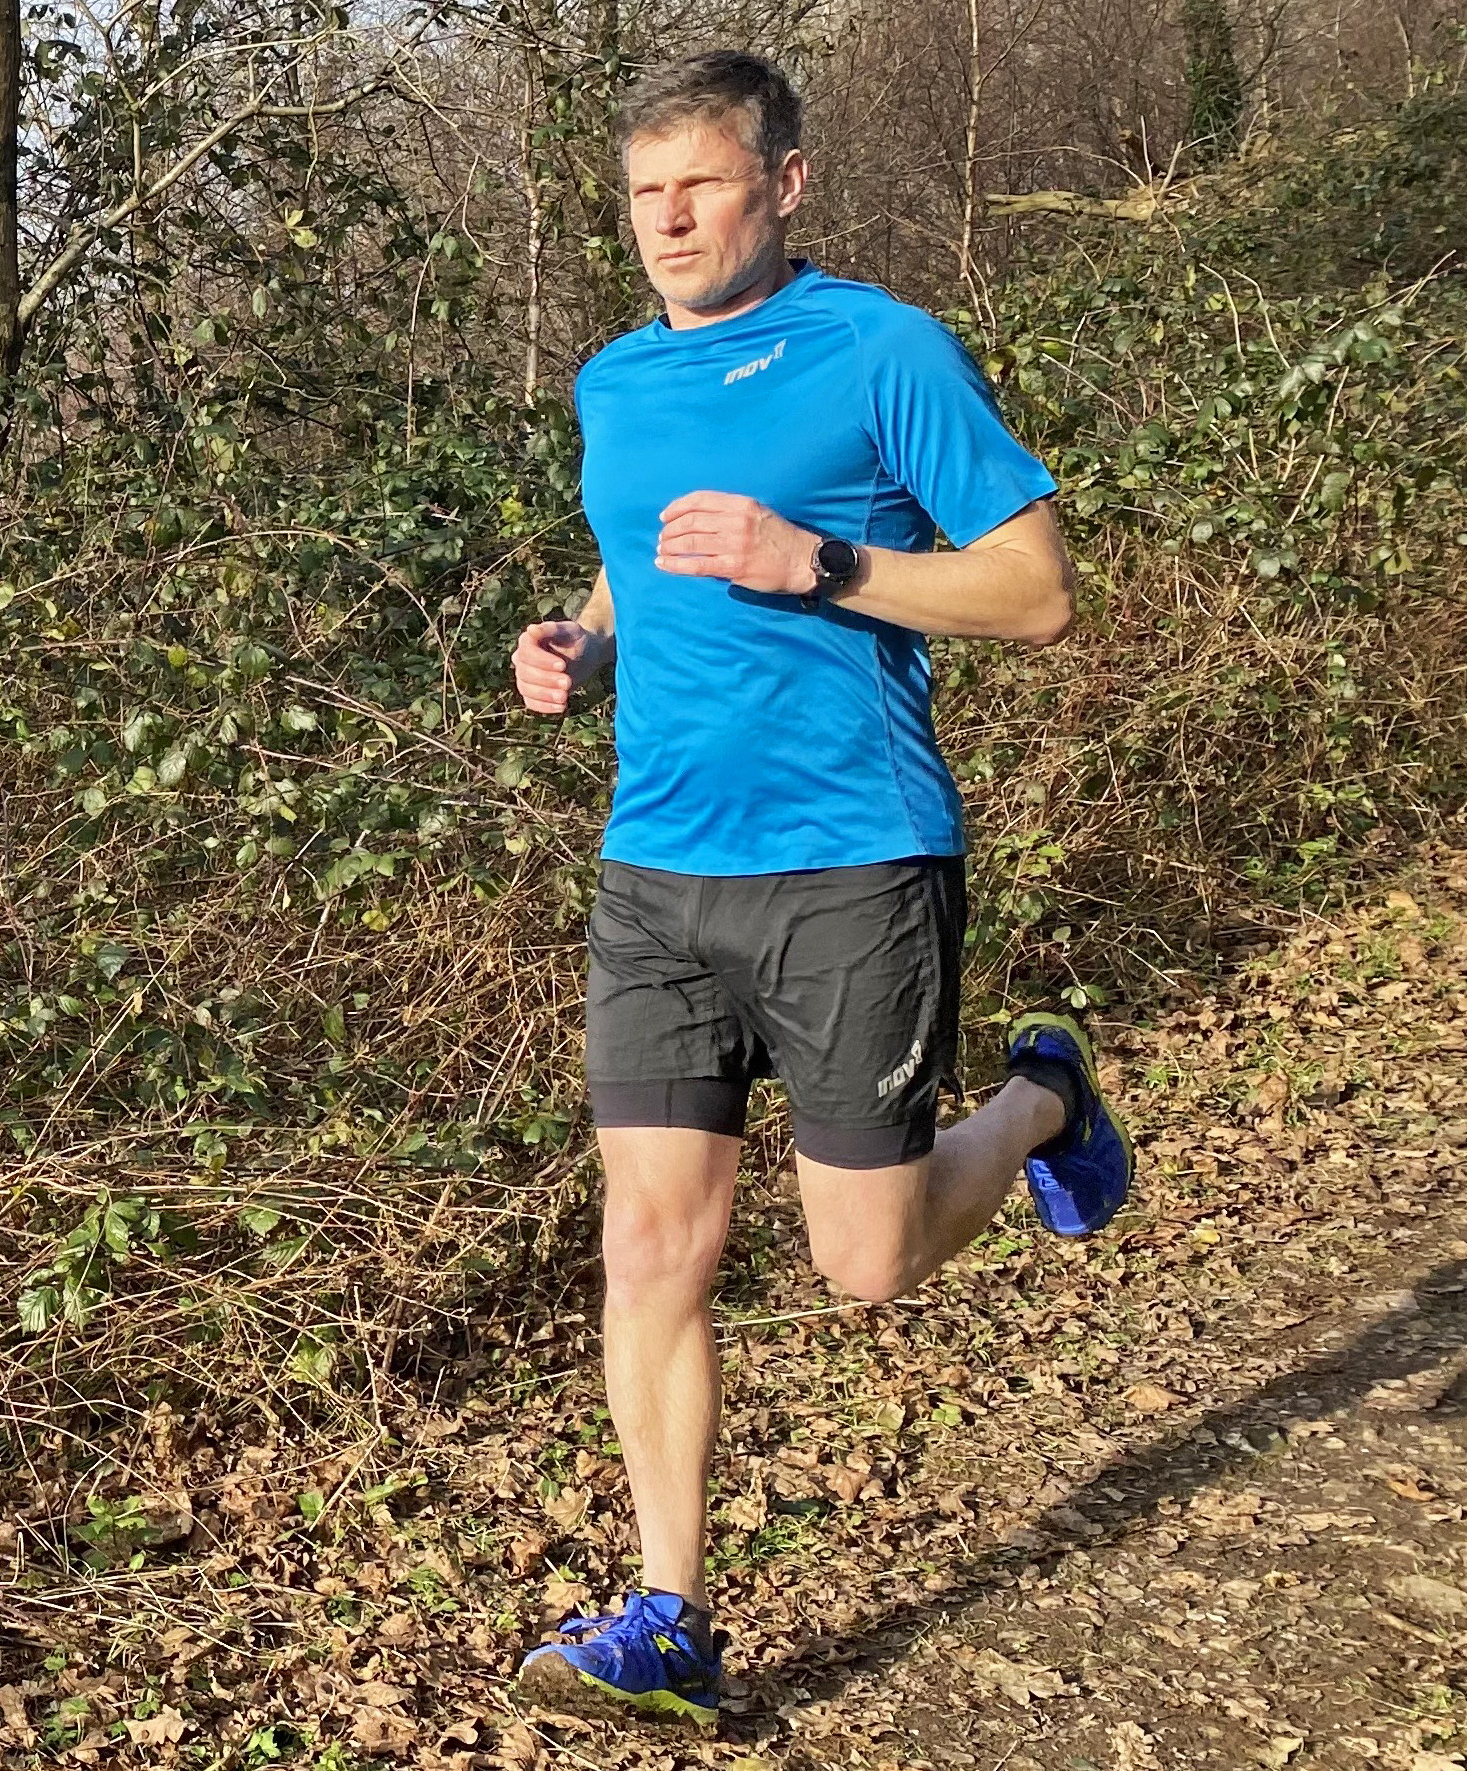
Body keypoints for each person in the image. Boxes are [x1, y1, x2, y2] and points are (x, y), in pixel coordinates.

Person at [504, 48, 1133, 1729]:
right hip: (655, 872)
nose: (667, 221)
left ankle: (1040, 1107)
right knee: (653, 1247)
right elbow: (640, 559)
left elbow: (1036, 591)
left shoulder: (880, 348)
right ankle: (668, 1614)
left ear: (785, 183)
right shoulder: (613, 383)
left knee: (867, 1265)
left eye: (700, 185)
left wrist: (826, 563)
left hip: (852, 861)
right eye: (644, 195)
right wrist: (587, 639)